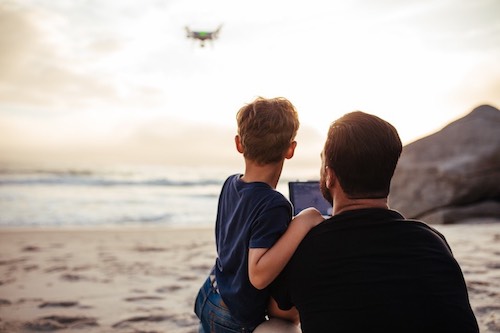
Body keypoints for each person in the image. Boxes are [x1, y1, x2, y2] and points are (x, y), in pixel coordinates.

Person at [271, 111, 479, 332]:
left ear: (329, 176)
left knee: (272, 328)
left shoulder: (306, 247)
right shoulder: (432, 242)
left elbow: (279, 312)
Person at [194, 97, 323, 332]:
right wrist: (304, 222)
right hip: (233, 315)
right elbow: (259, 275)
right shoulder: (274, 204)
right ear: (290, 149)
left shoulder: (230, 184)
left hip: (210, 294)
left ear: (239, 144)